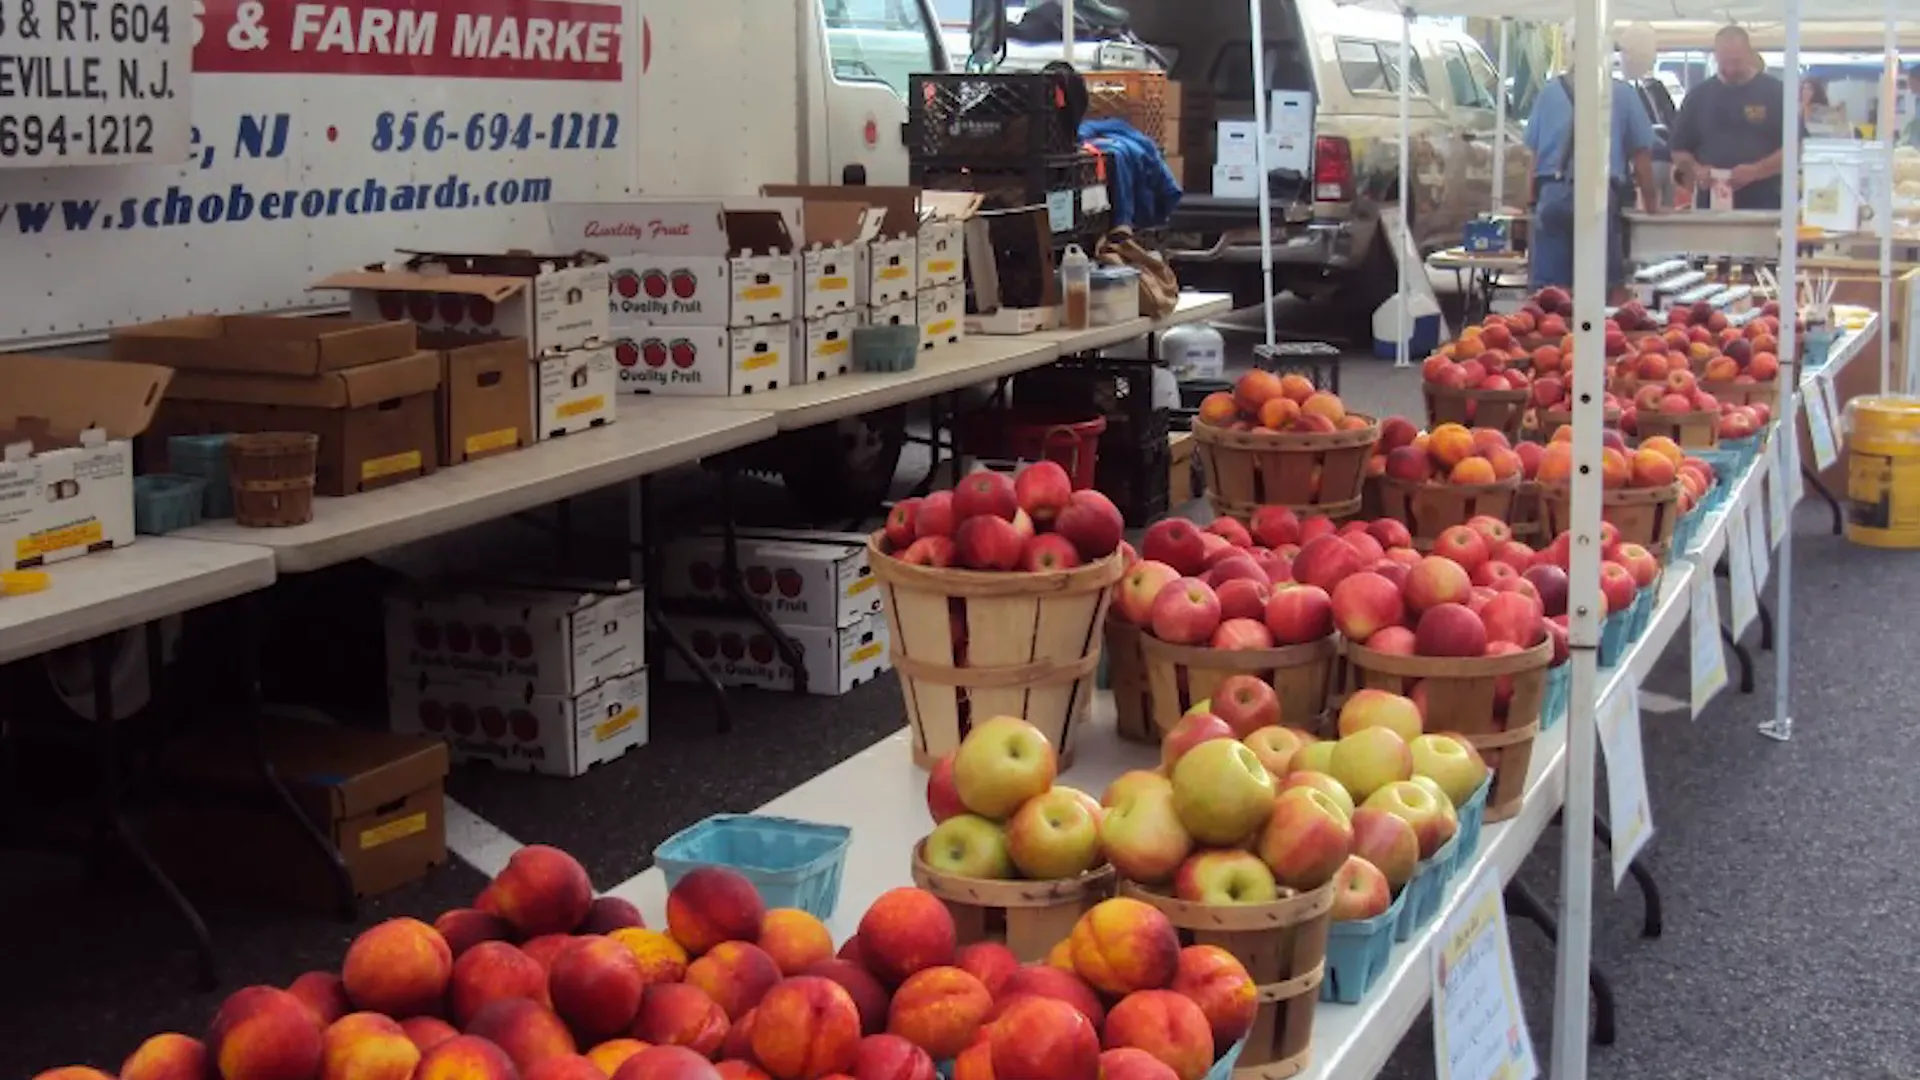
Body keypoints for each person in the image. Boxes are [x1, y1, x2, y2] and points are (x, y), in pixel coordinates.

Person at [1523, 39, 1662, 296]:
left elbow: (1532, 155)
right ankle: (1603, 334)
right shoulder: (1622, 94)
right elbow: (1642, 156)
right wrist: (1652, 205)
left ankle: (1555, 334)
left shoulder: (1549, 92)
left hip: (1552, 193)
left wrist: (1530, 201)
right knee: (1604, 289)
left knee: (1552, 294)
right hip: (1598, 196)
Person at [1670, 26, 1789, 209]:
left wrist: (1757, 171)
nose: (1730, 69)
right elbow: (1679, 149)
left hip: (1765, 203)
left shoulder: (1776, 92)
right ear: (1715, 56)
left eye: (1736, 62)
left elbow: (1795, 148)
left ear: (1749, 54)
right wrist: (1696, 170)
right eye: (1724, 62)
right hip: (1710, 204)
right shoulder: (1698, 96)